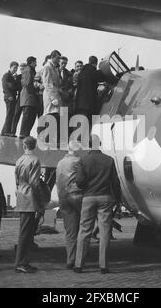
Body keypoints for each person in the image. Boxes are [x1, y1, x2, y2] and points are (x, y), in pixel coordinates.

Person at [74, 135, 121, 274]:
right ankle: (104, 266)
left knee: (84, 231)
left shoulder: (83, 160)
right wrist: (118, 199)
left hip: (88, 197)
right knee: (105, 231)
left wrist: (85, 187)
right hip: (105, 197)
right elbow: (115, 182)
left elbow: (79, 182)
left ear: (88, 145)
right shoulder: (109, 160)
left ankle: (79, 265)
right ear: (99, 144)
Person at [14, 136, 43, 273]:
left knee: (25, 231)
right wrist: (40, 201)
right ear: (35, 146)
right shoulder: (35, 160)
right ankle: (21, 263)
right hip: (30, 197)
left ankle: (23, 261)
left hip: (21, 195)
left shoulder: (19, 160)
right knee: (26, 232)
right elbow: (35, 183)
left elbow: (17, 181)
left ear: (24, 146)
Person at [56, 141, 83, 269]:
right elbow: (83, 179)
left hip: (63, 198)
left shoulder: (60, 162)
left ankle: (70, 259)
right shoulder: (78, 161)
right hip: (77, 196)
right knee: (85, 227)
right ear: (78, 150)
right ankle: (80, 258)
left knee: (70, 231)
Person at [75, 56, 106, 128]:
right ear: (95, 63)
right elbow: (101, 77)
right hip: (88, 104)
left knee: (80, 124)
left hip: (80, 103)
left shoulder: (82, 72)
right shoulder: (92, 70)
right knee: (87, 124)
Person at [40, 50, 62, 142]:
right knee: (51, 117)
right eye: (57, 58)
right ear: (52, 57)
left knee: (55, 117)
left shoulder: (54, 68)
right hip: (51, 97)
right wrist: (53, 98)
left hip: (55, 95)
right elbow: (48, 84)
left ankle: (51, 139)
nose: (58, 60)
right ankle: (47, 140)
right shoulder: (47, 67)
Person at [19, 56, 39, 138]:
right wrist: (35, 90)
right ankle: (23, 133)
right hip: (28, 97)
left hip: (30, 97)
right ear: (31, 62)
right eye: (35, 62)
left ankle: (25, 133)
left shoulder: (30, 70)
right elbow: (27, 83)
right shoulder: (28, 70)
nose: (36, 64)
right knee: (27, 116)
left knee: (30, 116)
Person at [0, 61, 19, 136]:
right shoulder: (6, 75)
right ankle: (6, 131)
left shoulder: (12, 77)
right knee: (9, 114)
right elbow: (4, 86)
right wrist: (9, 96)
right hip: (9, 97)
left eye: (16, 68)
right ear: (10, 67)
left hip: (13, 97)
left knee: (11, 114)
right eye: (14, 68)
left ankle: (4, 132)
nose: (15, 70)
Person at [11, 62, 27, 137]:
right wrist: (14, 79)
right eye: (20, 69)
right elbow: (16, 87)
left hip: (26, 98)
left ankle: (22, 133)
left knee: (25, 116)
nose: (21, 70)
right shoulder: (18, 77)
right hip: (20, 98)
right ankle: (12, 132)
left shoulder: (28, 76)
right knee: (16, 114)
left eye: (23, 69)